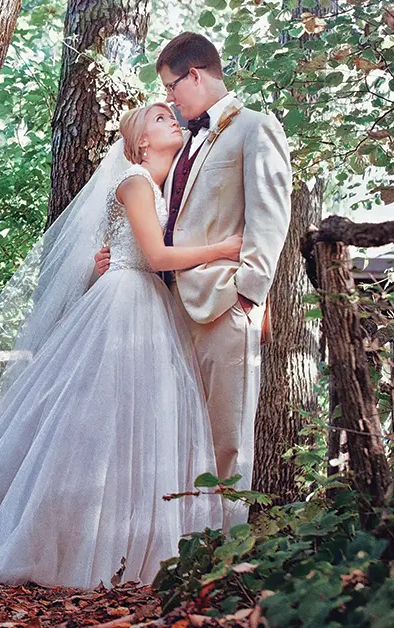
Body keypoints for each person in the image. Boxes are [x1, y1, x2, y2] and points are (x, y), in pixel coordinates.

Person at [0, 103, 237, 589]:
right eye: (160, 119)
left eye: (173, 116)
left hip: (149, 304)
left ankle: (129, 545)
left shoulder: (160, 187)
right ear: (141, 141)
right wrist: (225, 249)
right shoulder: (136, 182)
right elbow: (158, 255)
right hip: (126, 304)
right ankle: (67, 544)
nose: (172, 121)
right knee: (97, 423)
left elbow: (137, 250)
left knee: (141, 423)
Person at [95, 33, 293, 528]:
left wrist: (249, 295)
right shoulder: (185, 145)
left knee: (228, 436)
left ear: (196, 75)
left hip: (227, 303)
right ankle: (182, 544)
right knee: (183, 433)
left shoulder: (255, 128)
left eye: (171, 87)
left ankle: (226, 553)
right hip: (172, 307)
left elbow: (270, 217)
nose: (170, 99)